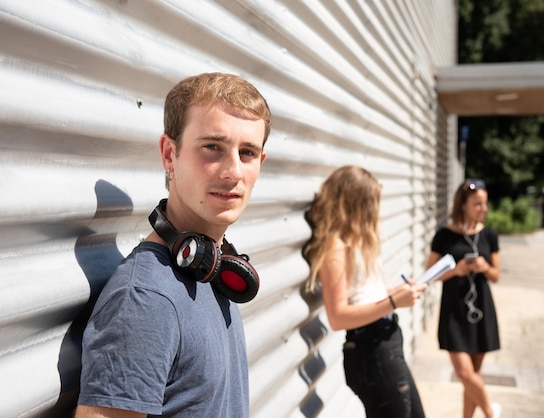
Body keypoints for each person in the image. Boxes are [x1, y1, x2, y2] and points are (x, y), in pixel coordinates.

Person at [75, 72, 271, 417]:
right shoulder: (147, 298)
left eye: (247, 153)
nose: (233, 172)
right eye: (213, 147)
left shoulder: (216, 272)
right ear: (169, 154)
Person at [302, 165, 428, 418]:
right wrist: (393, 301)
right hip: (371, 350)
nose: (375, 212)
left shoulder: (354, 242)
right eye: (371, 204)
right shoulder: (335, 248)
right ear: (354, 204)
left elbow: (363, 296)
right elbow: (337, 317)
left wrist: (397, 292)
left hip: (385, 342)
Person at [425, 179, 501, 418]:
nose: (483, 209)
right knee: (465, 373)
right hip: (454, 310)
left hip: (481, 308)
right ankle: (491, 412)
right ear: (463, 205)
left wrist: (484, 267)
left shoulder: (488, 235)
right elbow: (430, 274)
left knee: (474, 375)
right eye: (477, 204)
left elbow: (496, 275)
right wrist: (456, 271)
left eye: (485, 204)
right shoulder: (445, 236)